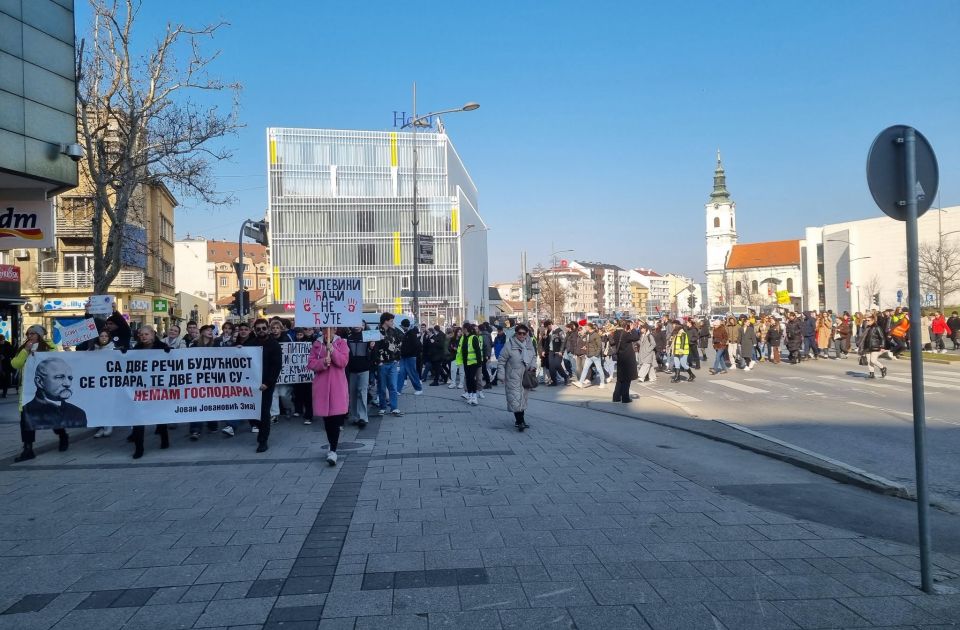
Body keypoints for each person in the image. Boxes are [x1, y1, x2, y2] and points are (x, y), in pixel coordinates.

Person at [12, 326, 69, 462]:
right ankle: (28, 448)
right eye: (28, 333)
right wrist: (25, 351)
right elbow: (15, 364)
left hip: (46, 390)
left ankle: (62, 436)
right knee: (26, 421)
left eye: (33, 333)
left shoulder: (50, 347)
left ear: (40, 335)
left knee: (53, 417)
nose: (30, 336)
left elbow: (54, 363)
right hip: (28, 390)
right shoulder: (24, 347)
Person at [308, 328, 350, 465]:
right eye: (325, 329)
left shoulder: (342, 343)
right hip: (322, 386)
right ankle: (332, 446)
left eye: (330, 329)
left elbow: (343, 362)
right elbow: (311, 364)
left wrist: (333, 351)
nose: (327, 332)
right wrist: (322, 363)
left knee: (336, 419)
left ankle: (333, 449)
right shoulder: (316, 344)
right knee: (327, 420)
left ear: (335, 330)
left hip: (337, 386)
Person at [129, 326, 170, 459]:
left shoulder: (162, 347)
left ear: (153, 334)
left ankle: (164, 439)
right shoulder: (136, 349)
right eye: (141, 334)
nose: (143, 337)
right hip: (141, 388)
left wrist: (170, 352)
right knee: (138, 417)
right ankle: (139, 447)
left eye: (146, 334)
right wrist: (124, 354)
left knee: (160, 416)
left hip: (158, 387)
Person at [497, 323, 536, 430]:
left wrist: (533, 366)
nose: (522, 336)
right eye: (520, 333)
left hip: (525, 377)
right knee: (515, 400)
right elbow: (501, 361)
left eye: (524, 333)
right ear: (516, 334)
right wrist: (501, 374)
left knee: (522, 399)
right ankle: (519, 421)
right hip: (512, 377)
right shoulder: (509, 345)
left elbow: (533, 356)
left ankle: (520, 420)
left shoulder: (529, 345)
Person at [252, 318, 282, 452]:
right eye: (258, 329)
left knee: (264, 412)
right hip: (252, 384)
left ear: (268, 329)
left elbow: (276, 367)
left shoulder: (274, 344)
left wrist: (268, 383)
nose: (261, 331)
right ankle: (259, 427)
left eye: (264, 328)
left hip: (266, 385)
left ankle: (263, 441)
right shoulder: (251, 344)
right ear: (255, 330)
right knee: (253, 413)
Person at [374, 312, 403, 416]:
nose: (392, 322)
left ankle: (394, 407)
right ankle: (382, 407)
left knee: (393, 386)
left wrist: (397, 358)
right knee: (382, 387)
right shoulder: (376, 331)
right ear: (385, 321)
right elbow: (374, 348)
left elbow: (400, 340)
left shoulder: (394, 331)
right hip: (382, 363)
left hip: (392, 362)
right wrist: (379, 361)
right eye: (391, 320)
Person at [345, 325, 373, 427]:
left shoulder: (367, 336)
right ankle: (355, 417)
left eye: (359, 323)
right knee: (352, 393)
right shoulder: (349, 337)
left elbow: (373, 352)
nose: (357, 326)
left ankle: (362, 417)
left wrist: (371, 347)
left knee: (362, 392)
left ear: (363, 325)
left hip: (364, 369)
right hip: (351, 370)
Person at [609, 320, 640, 402]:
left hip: (620, 357)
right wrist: (633, 329)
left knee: (620, 379)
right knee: (627, 379)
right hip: (627, 359)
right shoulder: (625, 334)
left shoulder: (615, 333)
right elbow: (636, 337)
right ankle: (625, 398)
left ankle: (616, 397)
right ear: (626, 326)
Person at [397, 318, 424, 395]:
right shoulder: (408, 333)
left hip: (409, 357)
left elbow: (416, 345)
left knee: (412, 373)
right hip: (405, 357)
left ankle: (419, 388)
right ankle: (398, 390)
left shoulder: (411, 334)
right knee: (401, 373)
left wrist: (409, 352)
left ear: (404, 326)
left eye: (402, 326)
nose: (401, 327)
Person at [458, 322, 483, 406]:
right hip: (465, 362)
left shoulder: (473, 338)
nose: (462, 330)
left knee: (472, 379)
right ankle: (469, 395)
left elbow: (478, 351)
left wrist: (479, 363)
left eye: (462, 329)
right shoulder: (463, 337)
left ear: (465, 329)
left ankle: (474, 397)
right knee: (468, 379)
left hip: (473, 363)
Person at [573, 323, 605, 388]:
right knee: (585, 369)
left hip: (595, 356)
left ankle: (602, 383)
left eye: (586, 327)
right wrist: (585, 347)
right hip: (589, 355)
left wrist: (596, 354)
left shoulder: (596, 335)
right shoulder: (588, 334)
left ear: (590, 327)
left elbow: (599, 346)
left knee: (599, 369)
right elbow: (588, 344)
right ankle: (580, 383)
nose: (585, 328)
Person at [858, 313, 887, 379]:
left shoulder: (877, 328)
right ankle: (871, 373)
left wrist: (882, 346)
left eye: (868, 320)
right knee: (869, 361)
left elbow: (882, 337)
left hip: (875, 346)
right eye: (866, 320)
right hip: (867, 346)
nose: (867, 322)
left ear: (873, 320)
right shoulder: (867, 328)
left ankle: (882, 368)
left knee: (873, 360)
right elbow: (863, 337)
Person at [0, 334, 14, 398]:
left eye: (2, 340)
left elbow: (11, 354)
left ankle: (4, 392)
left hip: (6, 364)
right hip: (1, 365)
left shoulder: (7, 345)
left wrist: (5, 356)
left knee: (5, 378)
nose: (1, 342)